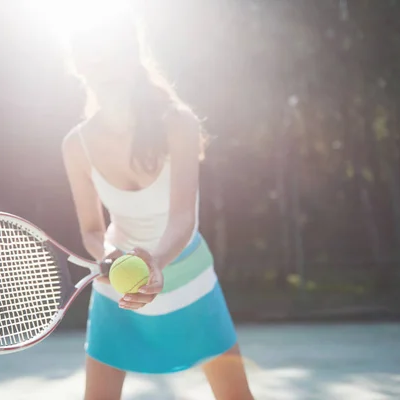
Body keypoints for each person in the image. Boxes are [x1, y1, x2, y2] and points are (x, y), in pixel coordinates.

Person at [61, 11, 255, 400]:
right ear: (79, 66)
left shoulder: (178, 122)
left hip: (189, 279)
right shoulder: (75, 145)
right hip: (120, 286)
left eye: (111, 54)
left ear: (133, 54)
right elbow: (92, 229)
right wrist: (112, 259)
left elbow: (183, 216)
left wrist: (155, 264)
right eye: (91, 57)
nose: (103, 66)